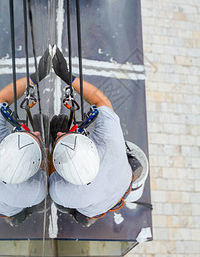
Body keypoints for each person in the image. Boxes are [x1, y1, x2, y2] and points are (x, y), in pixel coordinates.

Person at [49, 48, 134, 227]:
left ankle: (86, 218)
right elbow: (101, 102)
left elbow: (48, 175)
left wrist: (52, 143)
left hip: (98, 203)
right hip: (120, 184)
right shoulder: (108, 139)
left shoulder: (65, 193)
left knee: (65, 207)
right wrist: (69, 78)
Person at [0, 50, 51, 225]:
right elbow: (48, 170)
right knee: (45, 202)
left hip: (10, 205)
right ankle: (14, 218)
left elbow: (1, 100)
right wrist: (47, 147)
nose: (37, 132)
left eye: (31, 136)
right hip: (13, 206)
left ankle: (13, 219)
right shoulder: (34, 192)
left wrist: (34, 78)